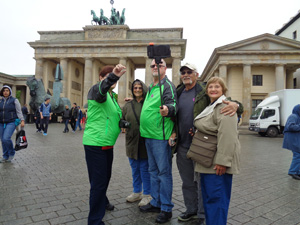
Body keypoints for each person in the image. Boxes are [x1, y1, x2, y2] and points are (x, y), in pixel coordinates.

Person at [171, 63, 243, 225]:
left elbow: (228, 134)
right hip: (186, 145)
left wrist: (236, 105)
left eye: (189, 71)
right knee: (192, 183)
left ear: (196, 74)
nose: (186, 74)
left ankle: (203, 215)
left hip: (209, 153)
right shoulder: (179, 91)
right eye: (183, 72)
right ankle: (192, 211)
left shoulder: (216, 100)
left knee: (211, 191)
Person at [193, 77, 241, 225]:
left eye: (217, 87)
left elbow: (228, 136)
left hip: (217, 163)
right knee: (210, 199)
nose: (213, 89)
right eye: (210, 87)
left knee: (216, 200)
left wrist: (223, 161)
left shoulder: (225, 107)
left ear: (223, 90)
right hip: (209, 160)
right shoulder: (212, 105)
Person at [82, 64, 126, 225]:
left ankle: (103, 201)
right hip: (96, 143)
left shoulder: (112, 97)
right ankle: (94, 220)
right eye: (106, 76)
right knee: (98, 182)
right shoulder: (97, 90)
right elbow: (103, 88)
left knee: (104, 178)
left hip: (107, 144)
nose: (110, 79)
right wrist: (114, 75)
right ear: (101, 78)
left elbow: (112, 116)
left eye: (112, 77)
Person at [139, 59, 177, 224]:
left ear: (165, 68)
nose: (155, 67)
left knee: (163, 173)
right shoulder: (151, 88)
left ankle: (166, 208)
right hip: (148, 136)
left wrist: (168, 110)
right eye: (153, 65)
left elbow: (173, 105)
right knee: (153, 172)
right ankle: (156, 202)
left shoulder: (167, 85)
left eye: (159, 65)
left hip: (161, 138)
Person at [122, 79, 152, 207]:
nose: (138, 90)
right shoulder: (128, 105)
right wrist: (123, 125)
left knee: (145, 169)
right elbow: (122, 119)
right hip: (131, 140)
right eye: (135, 88)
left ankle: (147, 194)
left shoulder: (148, 103)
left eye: (140, 88)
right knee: (135, 168)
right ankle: (136, 192)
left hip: (144, 140)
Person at [0, 85, 25, 163]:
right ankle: (5, 156)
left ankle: (11, 152)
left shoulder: (14, 100)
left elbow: (19, 111)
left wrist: (22, 120)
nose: (5, 92)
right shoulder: (0, 101)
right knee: (3, 140)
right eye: (4, 91)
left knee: (6, 138)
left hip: (11, 122)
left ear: (10, 91)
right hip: (1, 122)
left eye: (7, 90)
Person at [282, 104, 300, 180]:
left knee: (298, 155)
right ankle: (293, 171)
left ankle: (297, 172)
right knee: (297, 155)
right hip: (293, 140)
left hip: (295, 140)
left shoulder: (297, 117)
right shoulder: (293, 116)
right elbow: (290, 126)